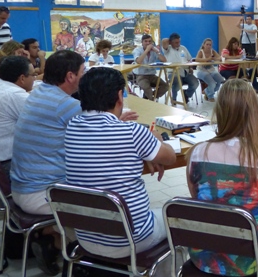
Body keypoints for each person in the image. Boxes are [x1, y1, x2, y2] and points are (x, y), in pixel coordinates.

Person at [10, 50, 138, 275]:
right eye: (82, 71)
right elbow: (103, 129)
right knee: (108, 206)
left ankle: (52, 237)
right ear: (70, 76)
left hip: (23, 187)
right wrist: (118, 117)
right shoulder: (63, 105)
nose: (85, 75)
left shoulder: (40, 93)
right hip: (41, 193)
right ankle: (74, 252)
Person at [65, 67, 175, 259]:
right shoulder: (132, 132)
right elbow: (170, 157)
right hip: (131, 239)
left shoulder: (72, 127)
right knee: (175, 217)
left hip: (85, 237)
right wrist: (156, 139)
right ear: (119, 96)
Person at [186, 79, 258, 275]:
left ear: (220, 112)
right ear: (254, 114)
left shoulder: (196, 153)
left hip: (204, 258)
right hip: (251, 261)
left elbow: (196, 195)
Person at [162, 32, 199, 103]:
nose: (178, 44)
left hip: (185, 71)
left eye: (179, 42)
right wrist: (169, 41)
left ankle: (187, 94)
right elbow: (164, 40)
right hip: (173, 72)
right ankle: (174, 99)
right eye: (176, 42)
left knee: (195, 83)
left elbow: (189, 59)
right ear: (170, 42)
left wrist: (190, 67)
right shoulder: (167, 49)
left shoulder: (183, 48)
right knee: (177, 83)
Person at [133, 34, 169, 100]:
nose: (148, 43)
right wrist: (146, 50)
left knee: (166, 86)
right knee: (147, 87)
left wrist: (157, 52)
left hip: (152, 75)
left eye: (149, 41)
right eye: (145, 41)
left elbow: (164, 60)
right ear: (142, 42)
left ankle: (150, 97)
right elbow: (138, 61)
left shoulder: (154, 51)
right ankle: (151, 99)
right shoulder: (137, 50)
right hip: (141, 75)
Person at [195, 38, 225, 102]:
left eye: (210, 45)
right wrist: (207, 59)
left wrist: (215, 58)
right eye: (207, 44)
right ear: (204, 45)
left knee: (221, 81)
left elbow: (219, 57)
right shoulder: (201, 52)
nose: (208, 46)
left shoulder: (212, 51)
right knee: (212, 83)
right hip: (201, 70)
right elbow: (197, 59)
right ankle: (210, 96)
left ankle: (206, 91)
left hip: (211, 69)